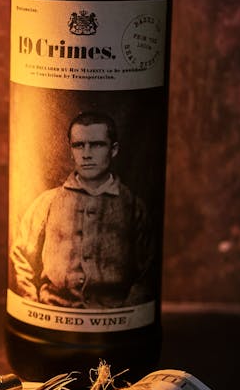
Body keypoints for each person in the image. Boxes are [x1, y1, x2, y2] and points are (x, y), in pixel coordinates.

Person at [10, 111, 155, 309]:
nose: (86, 154)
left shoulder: (132, 207)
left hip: (112, 317)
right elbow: (21, 257)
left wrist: (127, 310)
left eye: (96, 145)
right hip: (52, 310)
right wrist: (33, 303)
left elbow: (148, 270)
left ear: (113, 150)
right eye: (79, 145)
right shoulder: (47, 202)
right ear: (71, 151)